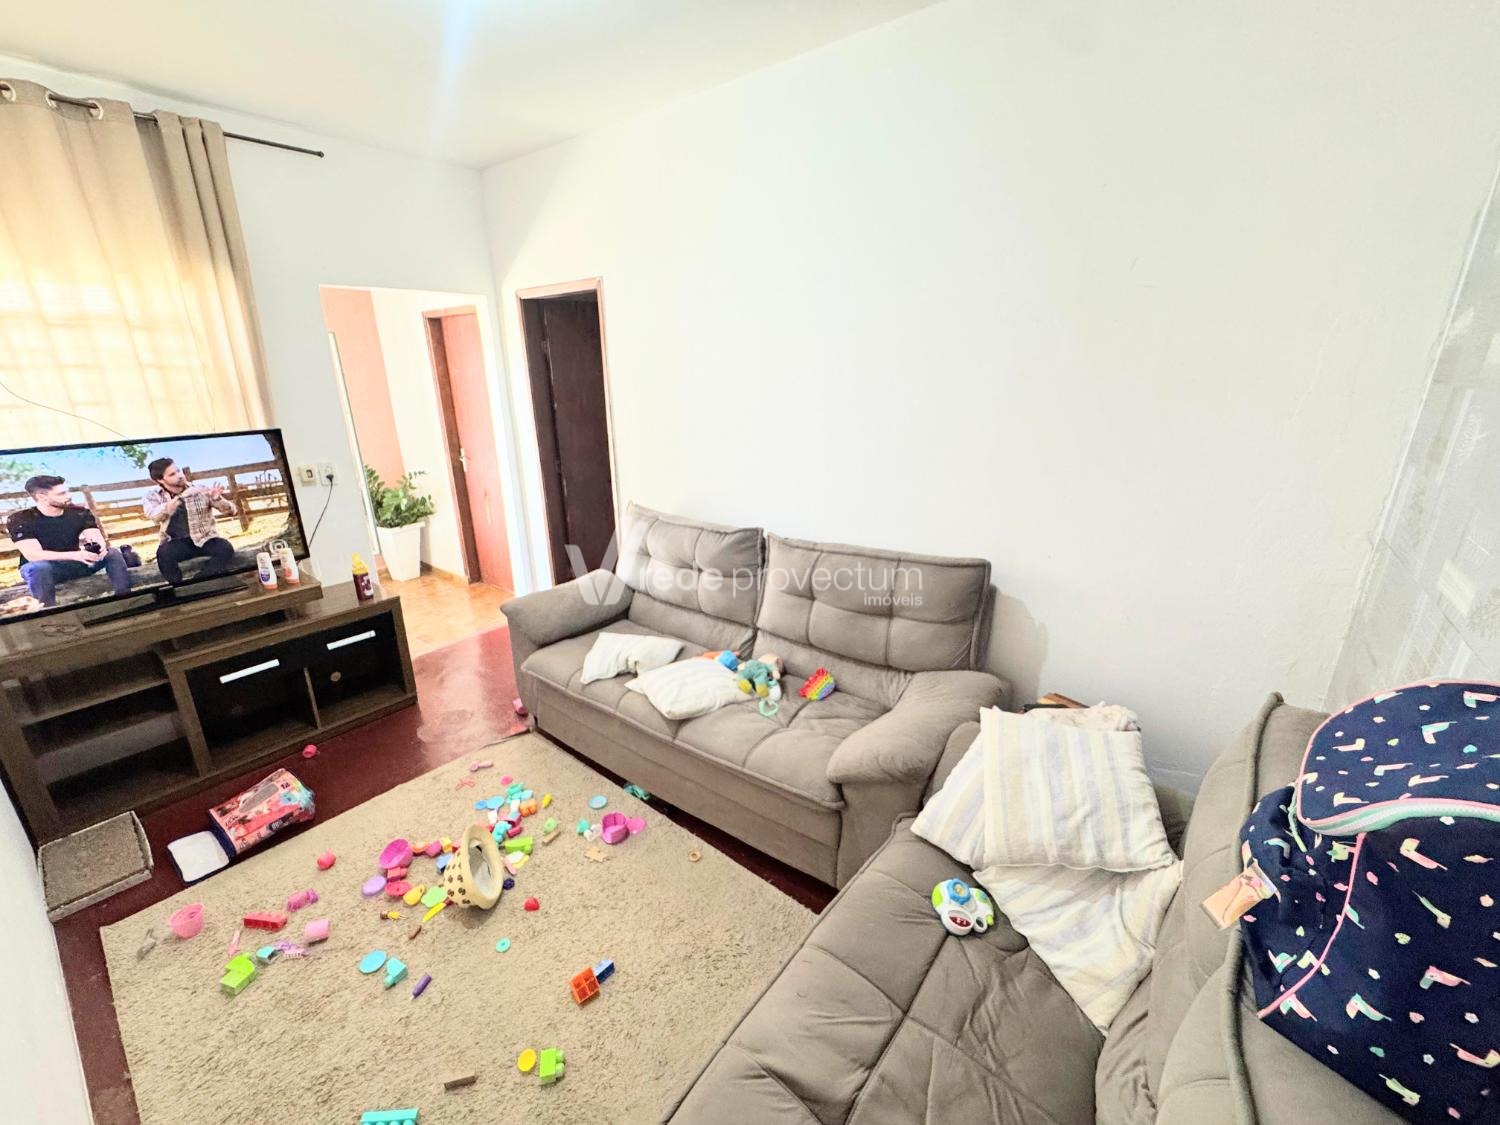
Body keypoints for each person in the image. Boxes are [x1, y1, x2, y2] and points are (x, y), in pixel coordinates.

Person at [6, 475, 132, 607]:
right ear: (42, 497)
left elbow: (95, 537)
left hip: (75, 562)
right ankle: (48, 612)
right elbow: (34, 555)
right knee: (39, 568)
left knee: (112, 553)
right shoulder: (21, 519)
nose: (69, 496)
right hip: (45, 567)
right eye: (61, 493)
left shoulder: (79, 512)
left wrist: (99, 549)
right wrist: (75, 555)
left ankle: (125, 600)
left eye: (67, 491)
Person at [142, 457, 238, 585]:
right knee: (163, 554)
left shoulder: (200, 489)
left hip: (205, 538)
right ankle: (178, 587)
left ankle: (200, 581)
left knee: (225, 548)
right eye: (172, 474)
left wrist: (218, 499)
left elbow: (232, 511)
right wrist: (181, 498)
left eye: (178, 471)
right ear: (160, 480)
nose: (179, 476)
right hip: (177, 543)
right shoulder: (152, 496)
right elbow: (155, 516)